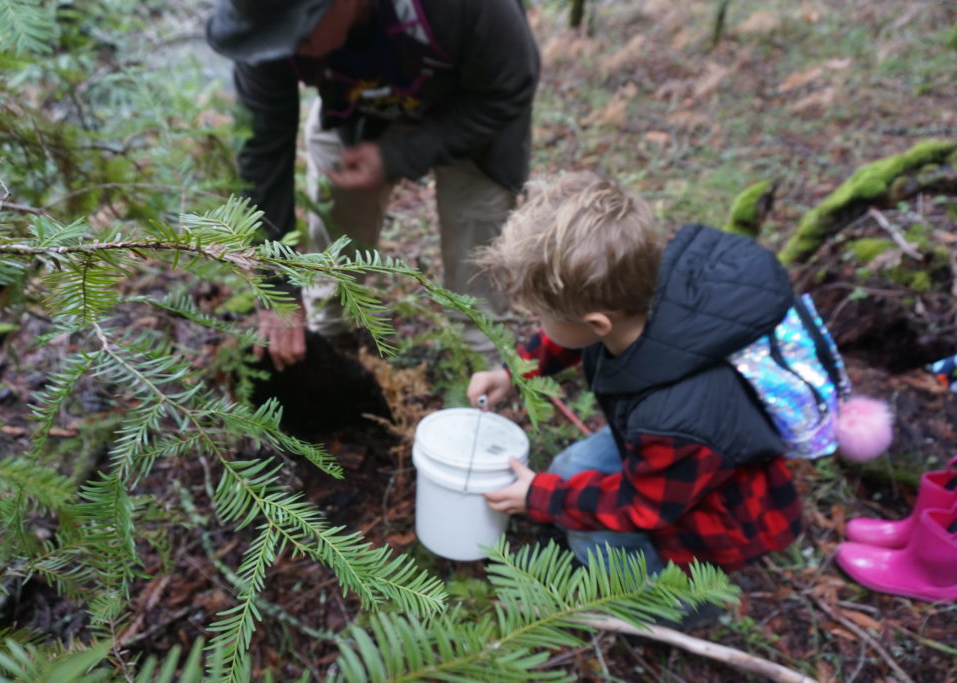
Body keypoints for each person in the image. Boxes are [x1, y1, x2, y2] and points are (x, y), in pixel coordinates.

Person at [465, 171, 803, 575]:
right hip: (667, 448)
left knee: (596, 538)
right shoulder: (636, 293)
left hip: (715, 522)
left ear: (597, 324)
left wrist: (542, 498)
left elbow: (641, 506)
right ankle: (570, 536)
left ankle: (681, 604)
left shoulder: (675, 419)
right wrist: (513, 372)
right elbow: (569, 336)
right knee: (570, 470)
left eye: (541, 315)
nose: (538, 321)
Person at [206, 0, 540, 370]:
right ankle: (332, 333)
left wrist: (397, 156)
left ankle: (480, 366)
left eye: (299, 33)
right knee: (339, 202)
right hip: (358, 105)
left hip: (472, 104)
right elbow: (262, 153)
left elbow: (508, 88)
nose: (286, 51)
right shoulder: (266, 26)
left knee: (475, 220)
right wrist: (276, 290)